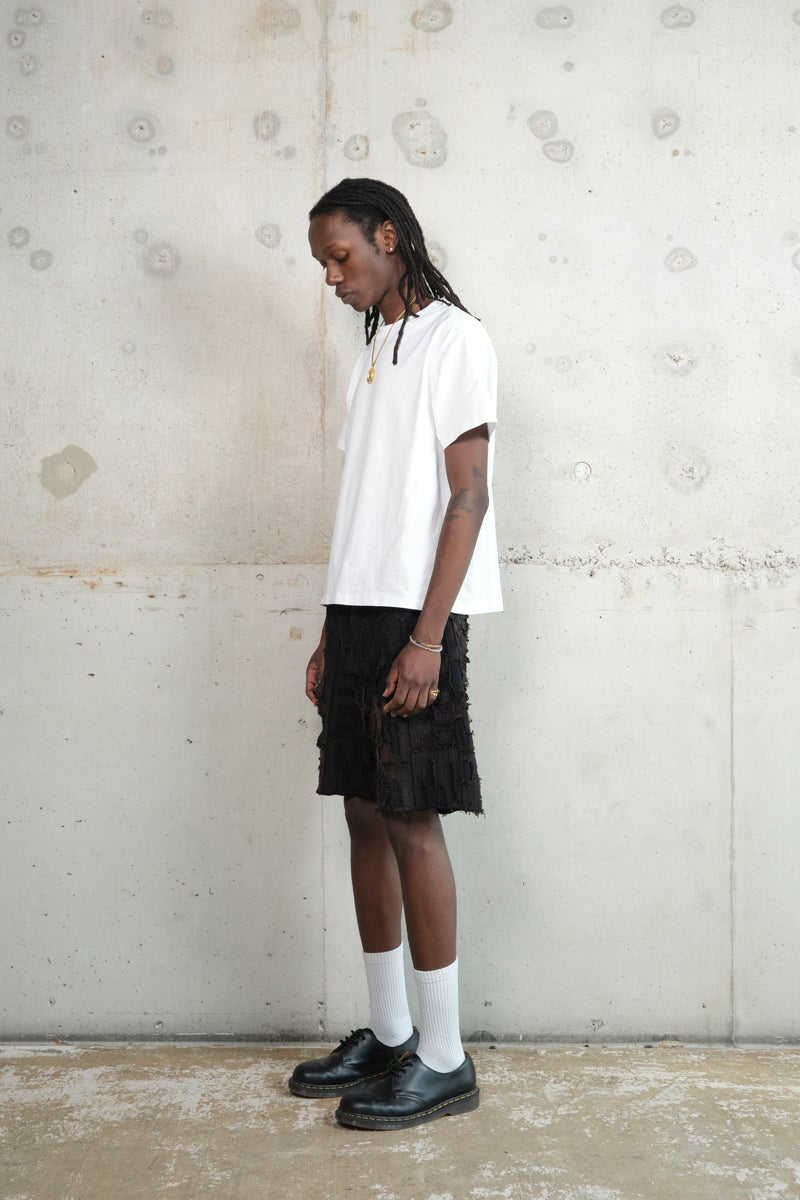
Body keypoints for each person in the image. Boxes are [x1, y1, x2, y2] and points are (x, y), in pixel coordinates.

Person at [288, 178, 502, 1130]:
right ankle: (387, 1032)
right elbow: (365, 509)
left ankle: (446, 1057)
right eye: (324, 265)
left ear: (387, 235)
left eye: (341, 258)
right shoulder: (376, 348)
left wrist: (424, 638)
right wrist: (332, 631)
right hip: (360, 612)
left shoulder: (456, 338)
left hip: (419, 619)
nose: (334, 278)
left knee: (413, 821)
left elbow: (468, 499)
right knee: (364, 817)